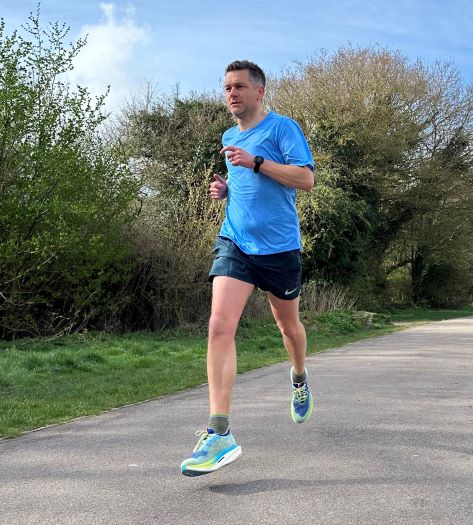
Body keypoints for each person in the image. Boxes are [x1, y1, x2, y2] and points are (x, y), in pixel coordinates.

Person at [180, 60, 315, 477]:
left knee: (288, 328)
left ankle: (298, 377)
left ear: (259, 91)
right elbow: (241, 180)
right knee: (219, 325)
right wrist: (225, 188)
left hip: (279, 250)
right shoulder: (227, 136)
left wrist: (256, 163)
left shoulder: (282, 129)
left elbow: (305, 180)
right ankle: (219, 432)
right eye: (226, 88)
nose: (231, 94)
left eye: (239, 86)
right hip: (236, 242)